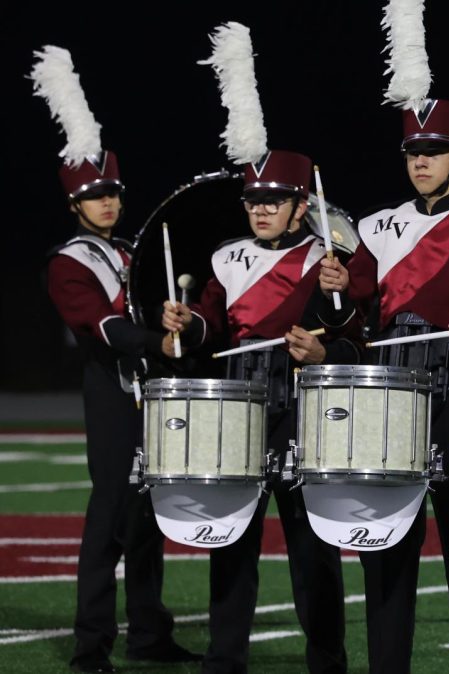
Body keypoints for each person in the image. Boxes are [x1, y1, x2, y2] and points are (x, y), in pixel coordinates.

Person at [163, 23, 352, 673]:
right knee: (231, 540)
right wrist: (188, 323)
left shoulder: (328, 259)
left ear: (303, 205)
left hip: (300, 408)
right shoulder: (225, 256)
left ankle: (327, 658)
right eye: (254, 199)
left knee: (311, 544)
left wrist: (333, 313)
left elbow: (354, 331)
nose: (262, 209)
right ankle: (225, 659)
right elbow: (212, 327)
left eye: (275, 200)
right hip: (237, 409)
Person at [316, 96, 449, 672]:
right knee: (385, 556)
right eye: (415, 152)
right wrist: (333, 289)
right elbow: (350, 320)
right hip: (387, 410)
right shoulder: (376, 225)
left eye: (436, 152)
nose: (423, 162)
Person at [35, 45, 199, 673]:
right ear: (75, 205)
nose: (107, 203)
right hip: (111, 392)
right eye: (94, 197)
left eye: (112, 194)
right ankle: (90, 646)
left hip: (154, 392)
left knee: (148, 519)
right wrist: (152, 338)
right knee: (108, 521)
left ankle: (151, 636)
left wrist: (172, 322)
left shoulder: (135, 250)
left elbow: (150, 308)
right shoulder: (68, 261)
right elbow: (98, 324)